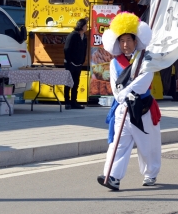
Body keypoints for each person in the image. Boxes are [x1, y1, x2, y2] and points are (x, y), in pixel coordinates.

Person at [97, 12, 160, 191]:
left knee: (147, 145)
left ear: (135, 40)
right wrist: (121, 96)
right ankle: (112, 175)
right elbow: (114, 84)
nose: (125, 44)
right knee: (118, 144)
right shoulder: (114, 62)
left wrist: (126, 92)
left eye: (129, 40)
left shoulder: (146, 59)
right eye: (122, 40)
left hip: (143, 108)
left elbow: (144, 81)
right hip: (123, 108)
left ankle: (150, 173)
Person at [64, 18, 88, 110]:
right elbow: (66, 49)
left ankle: (74, 101)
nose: (86, 27)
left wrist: (83, 60)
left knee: (76, 83)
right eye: (85, 25)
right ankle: (67, 102)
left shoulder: (84, 37)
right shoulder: (72, 35)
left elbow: (84, 49)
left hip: (79, 63)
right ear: (81, 26)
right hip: (70, 63)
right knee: (68, 82)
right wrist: (69, 60)